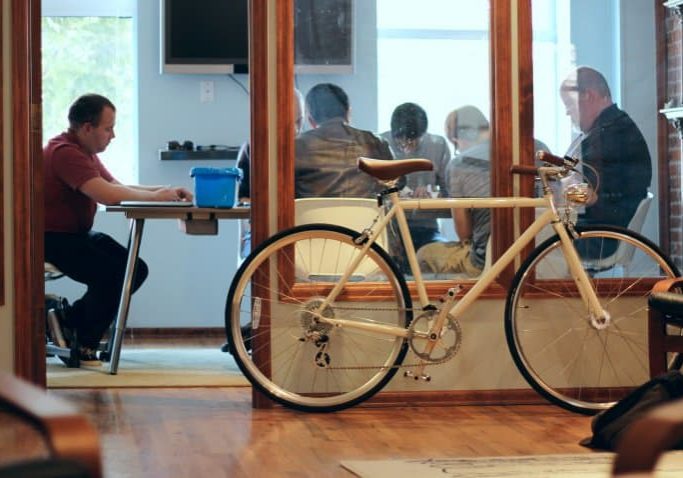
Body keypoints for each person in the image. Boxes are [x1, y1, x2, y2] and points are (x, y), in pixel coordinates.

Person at [44, 93, 192, 366]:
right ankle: (83, 340)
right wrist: (158, 196)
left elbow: (118, 185)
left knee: (135, 269)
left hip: (74, 235)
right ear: (87, 128)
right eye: (108, 128)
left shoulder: (82, 151)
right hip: (52, 238)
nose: (113, 135)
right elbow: (109, 195)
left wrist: (165, 191)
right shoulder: (65, 153)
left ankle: (69, 320)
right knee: (114, 275)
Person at [559, 66, 651, 231]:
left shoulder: (611, 136)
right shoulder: (613, 128)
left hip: (597, 237)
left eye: (569, 104)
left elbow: (584, 193)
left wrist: (555, 187)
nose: (567, 112)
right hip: (600, 229)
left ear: (588, 96)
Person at [236, 89, 305, 258]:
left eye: (299, 121)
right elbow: (242, 198)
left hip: (307, 234)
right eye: (290, 121)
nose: (296, 130)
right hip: (268, 234)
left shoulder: (308, 149)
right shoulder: (253, 149)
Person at [295, 83, 393, 198]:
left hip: (314, 216)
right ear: (348, 113)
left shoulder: (296, 146)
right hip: (368, 215)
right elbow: (398, 182)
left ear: (310, 119)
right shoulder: (376, 142)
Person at [380, 102, 450, 253]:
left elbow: (450, 191)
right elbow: (372, 189)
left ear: (423, 134)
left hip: (426, 227)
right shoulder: (380, 144)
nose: (406, 146)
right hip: (389, 227)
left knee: (433, 254)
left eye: (412, 141)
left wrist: (431, 192)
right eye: (400, 141)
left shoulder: (438, 145)